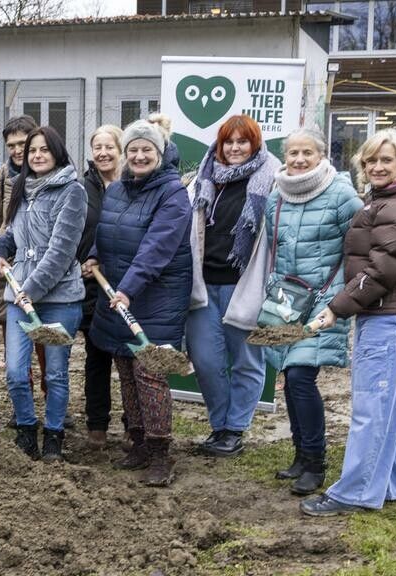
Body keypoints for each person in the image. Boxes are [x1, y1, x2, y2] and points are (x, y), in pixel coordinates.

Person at [301, 130, 396, 516]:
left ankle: (355, 492)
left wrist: (337, 309)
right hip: (388, 314)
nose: (377, 167)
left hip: (388, 315)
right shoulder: (387, 201)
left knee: (372, 406)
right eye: (371, 161)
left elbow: (379, 273)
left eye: (386, 161)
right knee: (390, 403)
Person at [83, 120, 191, 485]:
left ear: (160, 154)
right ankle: (140, 441)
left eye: (147, 150)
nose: (140, 155)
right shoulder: (116, 190)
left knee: (149, 372)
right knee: (126, 368)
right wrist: (96, 255)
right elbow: (109, 230)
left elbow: (156, 248)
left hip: (156, 295)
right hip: (118, 291)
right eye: (133, 150)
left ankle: (161, 453)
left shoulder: (172, 193)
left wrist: (127, 288)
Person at [264, 129, 362, 495]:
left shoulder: (341, 194)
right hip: (287, 301)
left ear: (322, 155)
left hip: (326, 297)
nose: (299, 159)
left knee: (302, 375)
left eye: (307, 152)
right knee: (289, 377)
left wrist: (342, 295)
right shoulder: (276, 195)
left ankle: (316, 462)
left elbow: (358, 247)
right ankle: (301, 455)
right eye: (293, 153)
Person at [0, 126, 87, 461]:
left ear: (57, 153)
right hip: (19, 295)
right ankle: (27, 431)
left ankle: (54, 436)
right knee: (16, 372)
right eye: (32, 151)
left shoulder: (72, 191)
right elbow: (13, 232)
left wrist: (29, 289)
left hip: (59, 299)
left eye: (44, 149)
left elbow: (61, 252)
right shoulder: (20, 187)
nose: (37, 155)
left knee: (56, 373)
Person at [186, 114, 282, 457]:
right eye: (229, 142)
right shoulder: (203, 177)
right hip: (204, 284)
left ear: (254, 143)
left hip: (245, 284)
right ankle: (219, 425)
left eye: (243, 141)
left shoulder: (272, 178)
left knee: (246, 361)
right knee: (206, 360)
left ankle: (234, 429)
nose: (235, 148)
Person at [0, 115, 50, 427]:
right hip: (11, 270)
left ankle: (52, 400)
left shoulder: (49, 174)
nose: (17, 151)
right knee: (14, 344)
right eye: (11, 145)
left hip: (42, 270)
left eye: (22, 144)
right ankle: (21, 405)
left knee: (44, 342)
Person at [80, 124, 122, 448]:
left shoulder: (134, 186)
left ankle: (134, 425)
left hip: (126, 282)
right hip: (91, 283)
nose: (103, 153)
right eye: (98, 147)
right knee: (95, 356)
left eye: (110, 146)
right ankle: (97, 424)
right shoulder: (83, 188)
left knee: (127, 359)